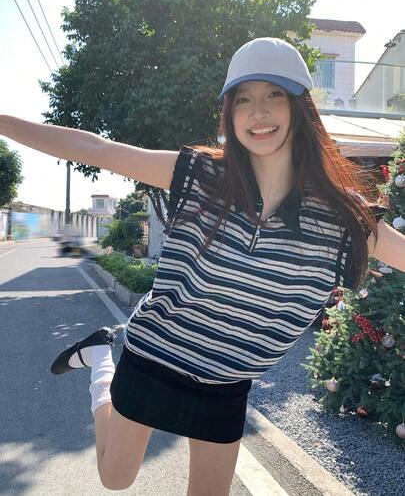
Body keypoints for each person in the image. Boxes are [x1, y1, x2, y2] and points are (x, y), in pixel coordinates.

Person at [1, 37, 404, 495]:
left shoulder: (342, 218)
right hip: (155, 354)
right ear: (229, 113)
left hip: (226, 381)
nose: (258, 112)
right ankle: (101, 359)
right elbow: (94, 148)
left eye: (274, 95)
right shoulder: (200, 175)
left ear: (300, 107)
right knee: (115, 477)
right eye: (243, 100)